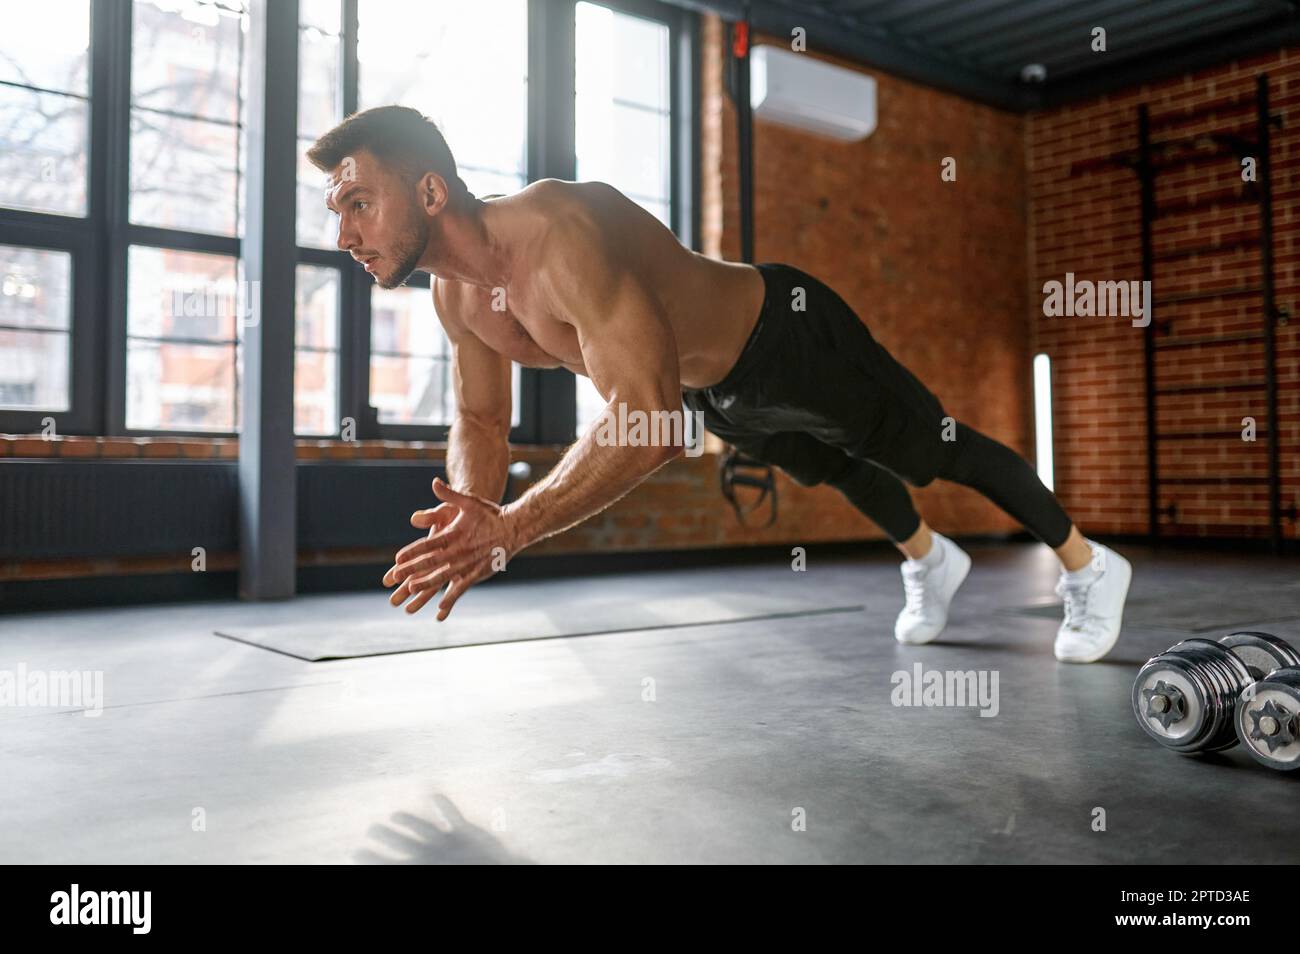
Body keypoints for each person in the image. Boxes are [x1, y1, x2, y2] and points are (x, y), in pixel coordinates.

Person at [307, 105, 1131, 662]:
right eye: (336, 213)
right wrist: (470, 518)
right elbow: (482, 423)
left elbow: (650, 424)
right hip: (713, 389)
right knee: (830, 467)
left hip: (786, 333)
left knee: (924, 451)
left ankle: (1087, 565)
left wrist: (513, 529)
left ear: (429, 190)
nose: (343, 233)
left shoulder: (560, 235)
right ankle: (931, 560)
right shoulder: (457, 298)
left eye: (357, 204)